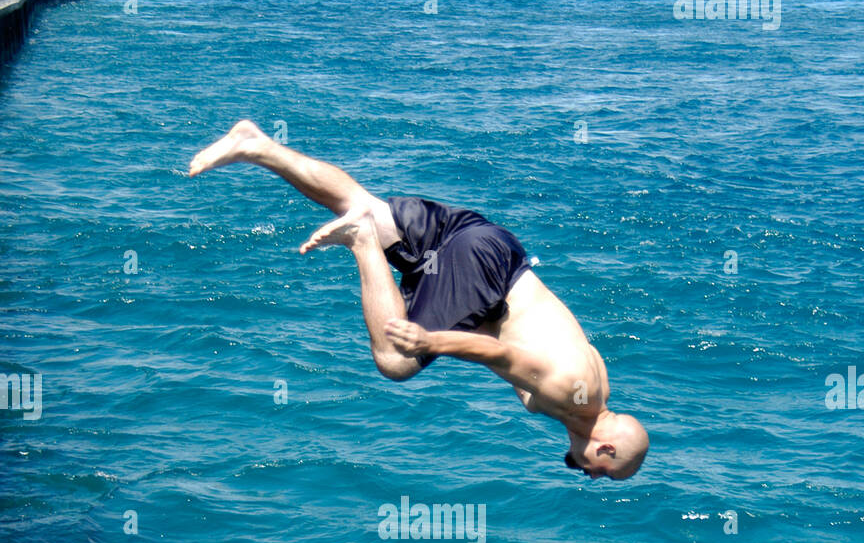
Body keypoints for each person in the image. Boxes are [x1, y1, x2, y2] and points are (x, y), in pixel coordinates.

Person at [189, 121, 649, 479]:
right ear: (604, 448)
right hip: (487, 272)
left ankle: (257, 146)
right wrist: (431, 341)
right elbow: (499, 350)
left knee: (358, 201)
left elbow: (511, 345)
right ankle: (361, 241)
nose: (588, 472)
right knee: (396, 360)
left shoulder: (597, 383)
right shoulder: (572, 395)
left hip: (489, 247)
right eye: (599, 473)